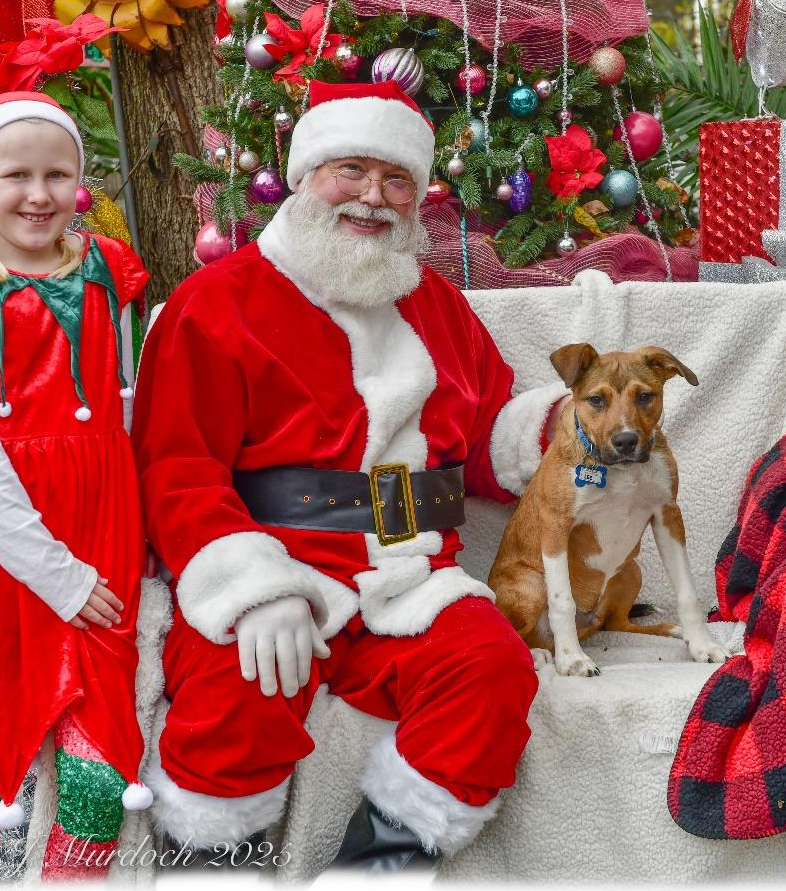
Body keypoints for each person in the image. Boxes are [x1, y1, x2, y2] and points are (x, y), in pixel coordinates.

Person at [131, 80, 569, 870]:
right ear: (304, 177)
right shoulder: (213, 305)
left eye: (397, 179)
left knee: (491, 671)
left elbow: (484, 441)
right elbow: (177, 471)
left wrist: (558, 431)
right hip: (280, 569)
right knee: (237, 691)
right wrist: (254, 590)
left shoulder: (437, 305)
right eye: (352, 171)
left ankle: (374, 875)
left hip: (412, 579)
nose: (374, 197)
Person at [0, 91, 153, 881]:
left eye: (58, 174)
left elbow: (125, 400)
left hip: (100, 529)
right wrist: (57, 576)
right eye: (16, 175)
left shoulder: (109, 273)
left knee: (98, 774)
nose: (39, 194)